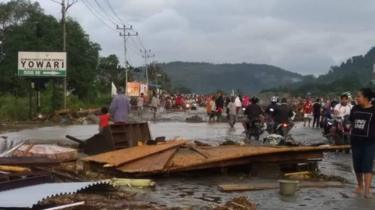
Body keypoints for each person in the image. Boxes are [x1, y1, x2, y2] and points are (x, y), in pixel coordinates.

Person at [349, 88, 375, 198]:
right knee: (357, 166)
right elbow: (351, 121)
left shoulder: (374, 111)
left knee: (367, 166)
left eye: (359, 96)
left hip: (370, 143)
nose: (357, 98)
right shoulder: (355, 108)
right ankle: (359, 186)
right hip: (355, 142)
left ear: (366, 98)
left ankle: (367, 190)